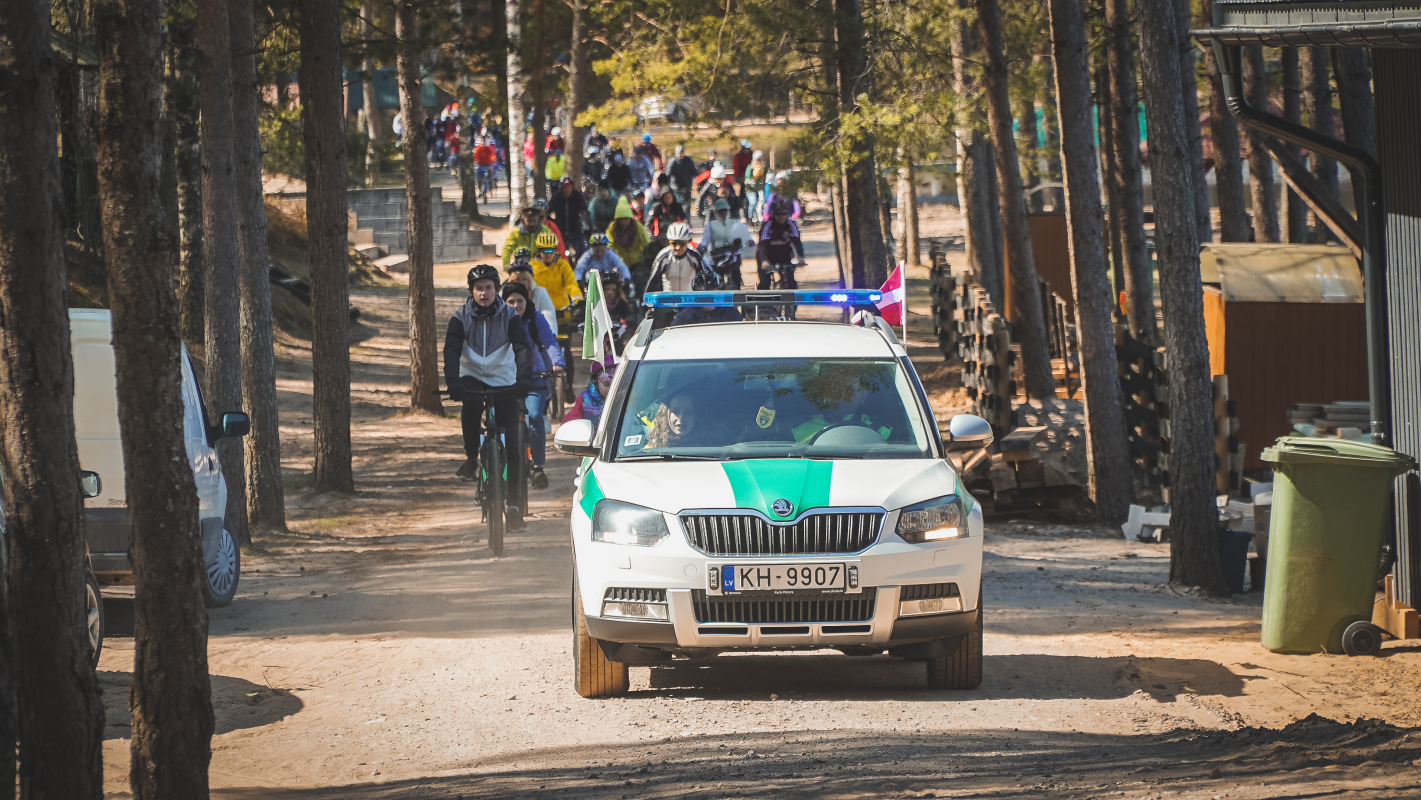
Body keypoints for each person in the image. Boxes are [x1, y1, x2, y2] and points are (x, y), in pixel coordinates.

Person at [444, 264, 531, 529]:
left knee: (514, 445)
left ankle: (514, 507)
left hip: (504, 379)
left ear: (497, 289)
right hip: (471, 376)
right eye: (479, 288)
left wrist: (523, 379)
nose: (484, 293)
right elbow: (451, 350)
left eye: (489, 288)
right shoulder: (460, 317)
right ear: (471, 291)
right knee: (470, 407)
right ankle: (472, 458)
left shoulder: (509, 316)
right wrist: (452, 382)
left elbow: (522, 347)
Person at [501, 282, 563, 489]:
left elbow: (549, 341)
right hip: (503, 379)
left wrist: (557, 362)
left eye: (520, 301)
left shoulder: (536, 319)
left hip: (535, 377)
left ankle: (538, 467)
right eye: (511, 302)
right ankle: (494, 463)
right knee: (496, 422)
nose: (516, 305)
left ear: (527, 301)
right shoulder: (497, 321)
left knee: (535, 416)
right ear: (503, 303)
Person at [789, 375, 894, 444]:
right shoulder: (800, 430)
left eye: (850, 391)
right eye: (836, 390)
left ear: (863, 396)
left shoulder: (880, 430)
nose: (842, 397)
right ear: (826, 395)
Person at [699, 198, 753, 289]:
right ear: (716, 211)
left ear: (728, 210)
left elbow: (744, 234)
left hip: (733, 253)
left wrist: (749, 240)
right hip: (717, 255)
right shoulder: (710, 224)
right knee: (718, 281)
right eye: (720, 210)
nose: (723, 212)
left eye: (725, 210)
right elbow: (706, 240)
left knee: (736, 276)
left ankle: (737, 294)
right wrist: (701, 247)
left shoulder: (735, 221)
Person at [646, 222, 709, 293]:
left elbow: (704, 281)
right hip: (669, 301)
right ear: (669, 242)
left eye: (682, 244)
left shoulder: (695, 256)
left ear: (687, 242)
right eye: (674, 243)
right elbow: (652, 282)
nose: (678, 247)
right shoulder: (663, 257)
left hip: (689, 300)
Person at [756, 198, 804, 289]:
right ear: (773, 214)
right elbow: (763, 244)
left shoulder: (791, 225)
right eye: (778, 214)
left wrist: (800, 257)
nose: (781, 217)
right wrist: (764, 261)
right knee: (765, 283)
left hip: (784, 258)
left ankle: (792, 302)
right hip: (767, 258)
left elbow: (797, 242)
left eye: (783, 214)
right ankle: (764, 302)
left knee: (791, 282)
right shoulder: (767, 226)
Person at [607, 197, 651, 286]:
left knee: (639, 282)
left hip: (638, 260)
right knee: (623, 285)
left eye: (626, 219)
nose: (623, 222)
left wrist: (645, 259)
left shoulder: (637, 227)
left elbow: (646, 243)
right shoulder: (613, 228)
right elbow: (609, 244)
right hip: (621, 262)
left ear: (630, 218)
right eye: (620, 219)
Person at [506, 258, 558, 332]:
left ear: (530, 280)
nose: (521, 283)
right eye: (517, 279)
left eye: (525, 279)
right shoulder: (503, 295)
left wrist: (551, 337)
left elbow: (549, 315)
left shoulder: (539, 292)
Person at [562, 356, 616, 428]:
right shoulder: (584, 401)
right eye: (606, 384)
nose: (611, 389)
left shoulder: (628, 399)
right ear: (596, 383)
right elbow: (567, 426)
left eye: (616, 384)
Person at [547, 176, 588, 260]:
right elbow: (549, 211)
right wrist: (553, 223)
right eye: (565, 187)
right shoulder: (556, 197)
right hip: (560, 231)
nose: (567, 189)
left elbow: (584, 211)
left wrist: (585, 224)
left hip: (575, 231)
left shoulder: (578, 196)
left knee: (581, 254)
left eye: (569, 186)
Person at [667, 144, 697, 210]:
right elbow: (668, 174)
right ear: (676, 153)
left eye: (682, 153)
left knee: (687, 203)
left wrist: (696, 180)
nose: (680, 155)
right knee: (678, 202)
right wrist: (667, 185)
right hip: (676, 186)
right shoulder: (672, 162)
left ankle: (687, 218)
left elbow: (694, 172)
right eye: (679, 153)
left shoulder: (688, 161)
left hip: (687, 185)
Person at [742, 150, 766, 220]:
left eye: (760, 159)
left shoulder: (764, 168)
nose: (759, 161)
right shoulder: (750, 167)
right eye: (757, 159)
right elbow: (747, 178)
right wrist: (752, 180)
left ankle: (761, 216)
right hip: (750, 188)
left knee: (763, 200)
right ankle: (750, 217)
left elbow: (766, 177)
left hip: (760, 188)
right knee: (753, 202)